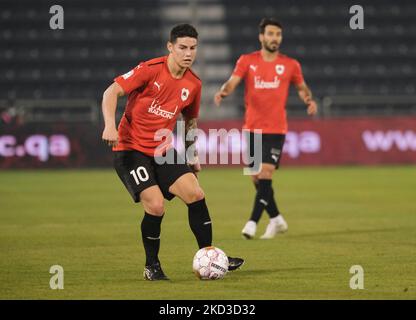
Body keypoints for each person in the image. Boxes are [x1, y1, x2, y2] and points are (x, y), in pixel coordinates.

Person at [101, 24, 244, 280]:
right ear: (170, 47)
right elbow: (111, 91)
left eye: (193, 48)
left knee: (196, 193)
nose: (188, 53)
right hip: (130, 149)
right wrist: (110, 125)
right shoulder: (149, 70)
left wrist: (192, 155)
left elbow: (190, 122)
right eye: (182, 48)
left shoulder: (194, 84)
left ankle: (210, 255)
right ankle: (151, 266)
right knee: (155, 205)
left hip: (162, 149)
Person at [214, 18, 318, 239]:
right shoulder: (247, 60)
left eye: (278, 34)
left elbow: (301, 87)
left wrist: (308, 100)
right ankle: (277, 219)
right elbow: (233, 81)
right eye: (270, 34)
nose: (274, 38)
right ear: (261, 37)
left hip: (276, 129)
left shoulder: (291, 64)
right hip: (252, 128)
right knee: (255, 178)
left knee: (265, 173)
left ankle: (252, 222)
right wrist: (224, 91)